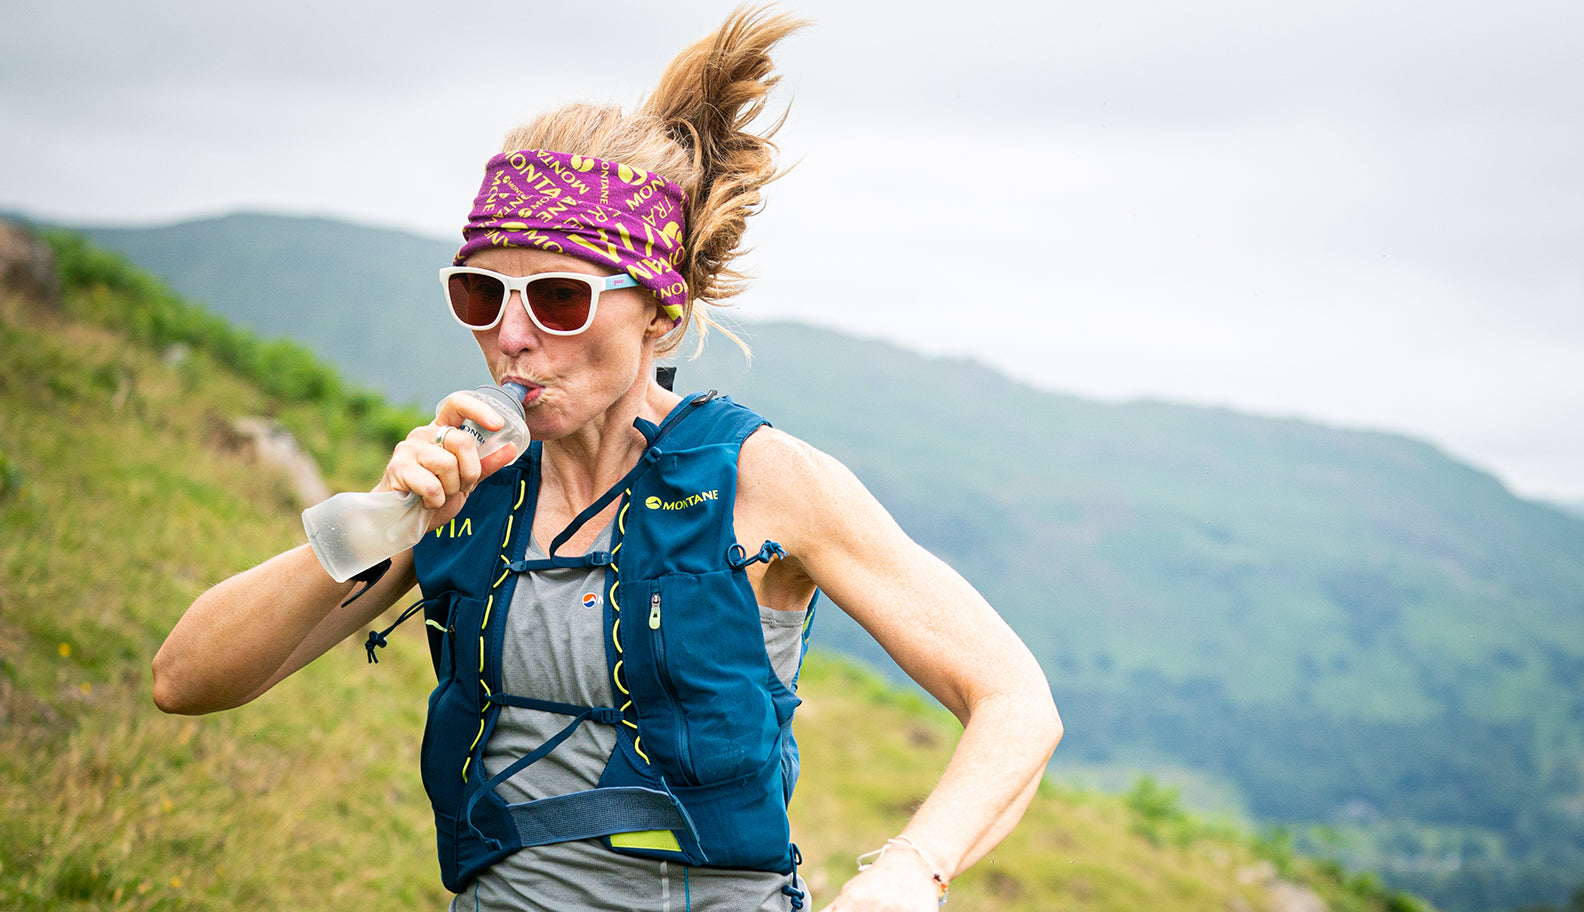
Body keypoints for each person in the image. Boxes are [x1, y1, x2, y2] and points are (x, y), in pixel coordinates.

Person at [152, 7, 1060, 911]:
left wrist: (911, 868)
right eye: (480, 294)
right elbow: (184, 681)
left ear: (660, 314)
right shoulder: (461, 481)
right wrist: (386, 517)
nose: (511, 338)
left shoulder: (765, 480)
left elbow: (1014, 701)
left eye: (558, 298)